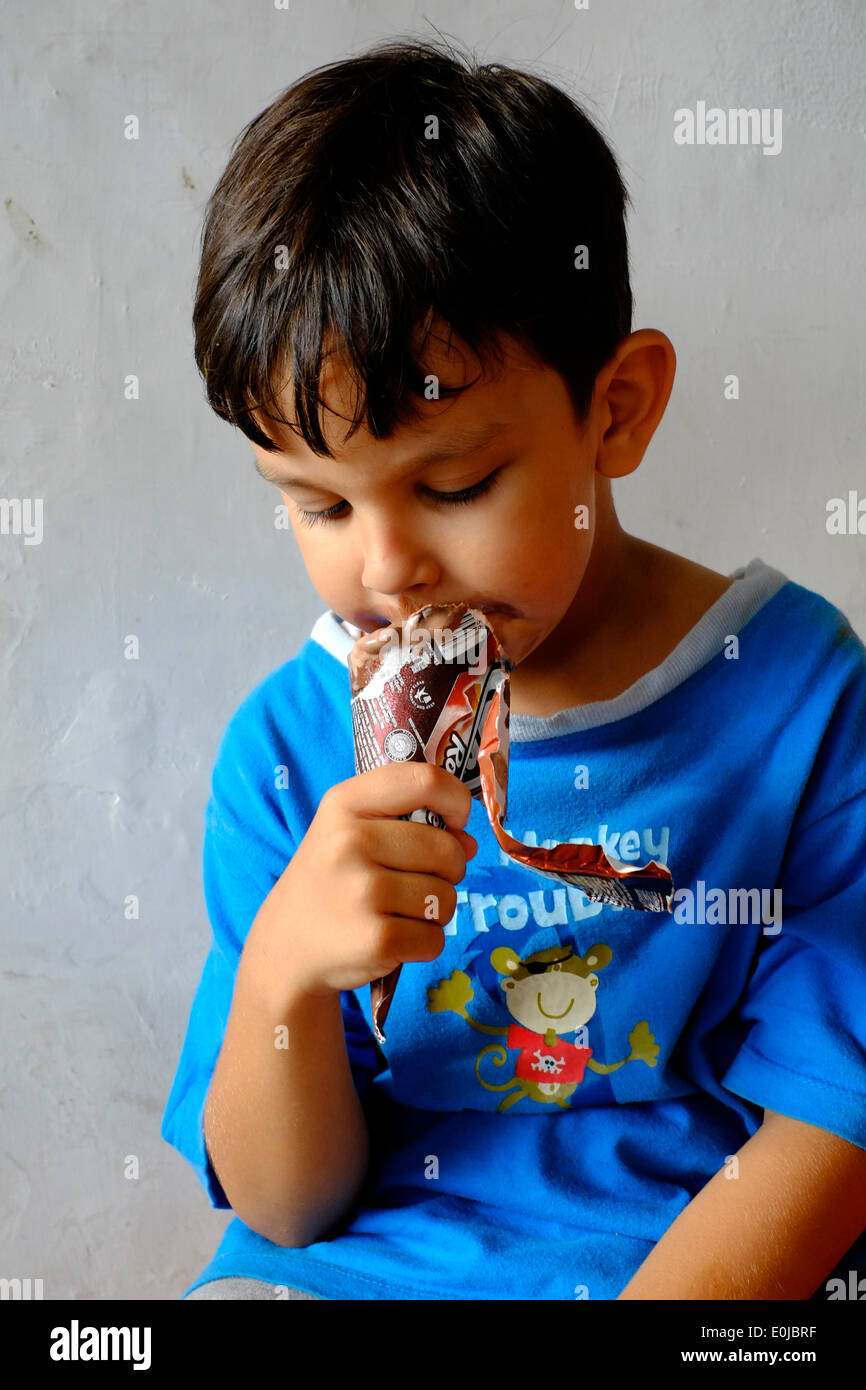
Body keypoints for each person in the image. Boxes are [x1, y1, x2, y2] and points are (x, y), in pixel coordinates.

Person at [162, 37, 866, 1301]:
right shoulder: (289, 749)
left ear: (616, 409)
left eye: (452, 485)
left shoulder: (794, 697)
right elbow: (287, 1204)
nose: (387, 570)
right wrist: (283, 969)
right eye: (319, 505)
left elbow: (831, 1128)